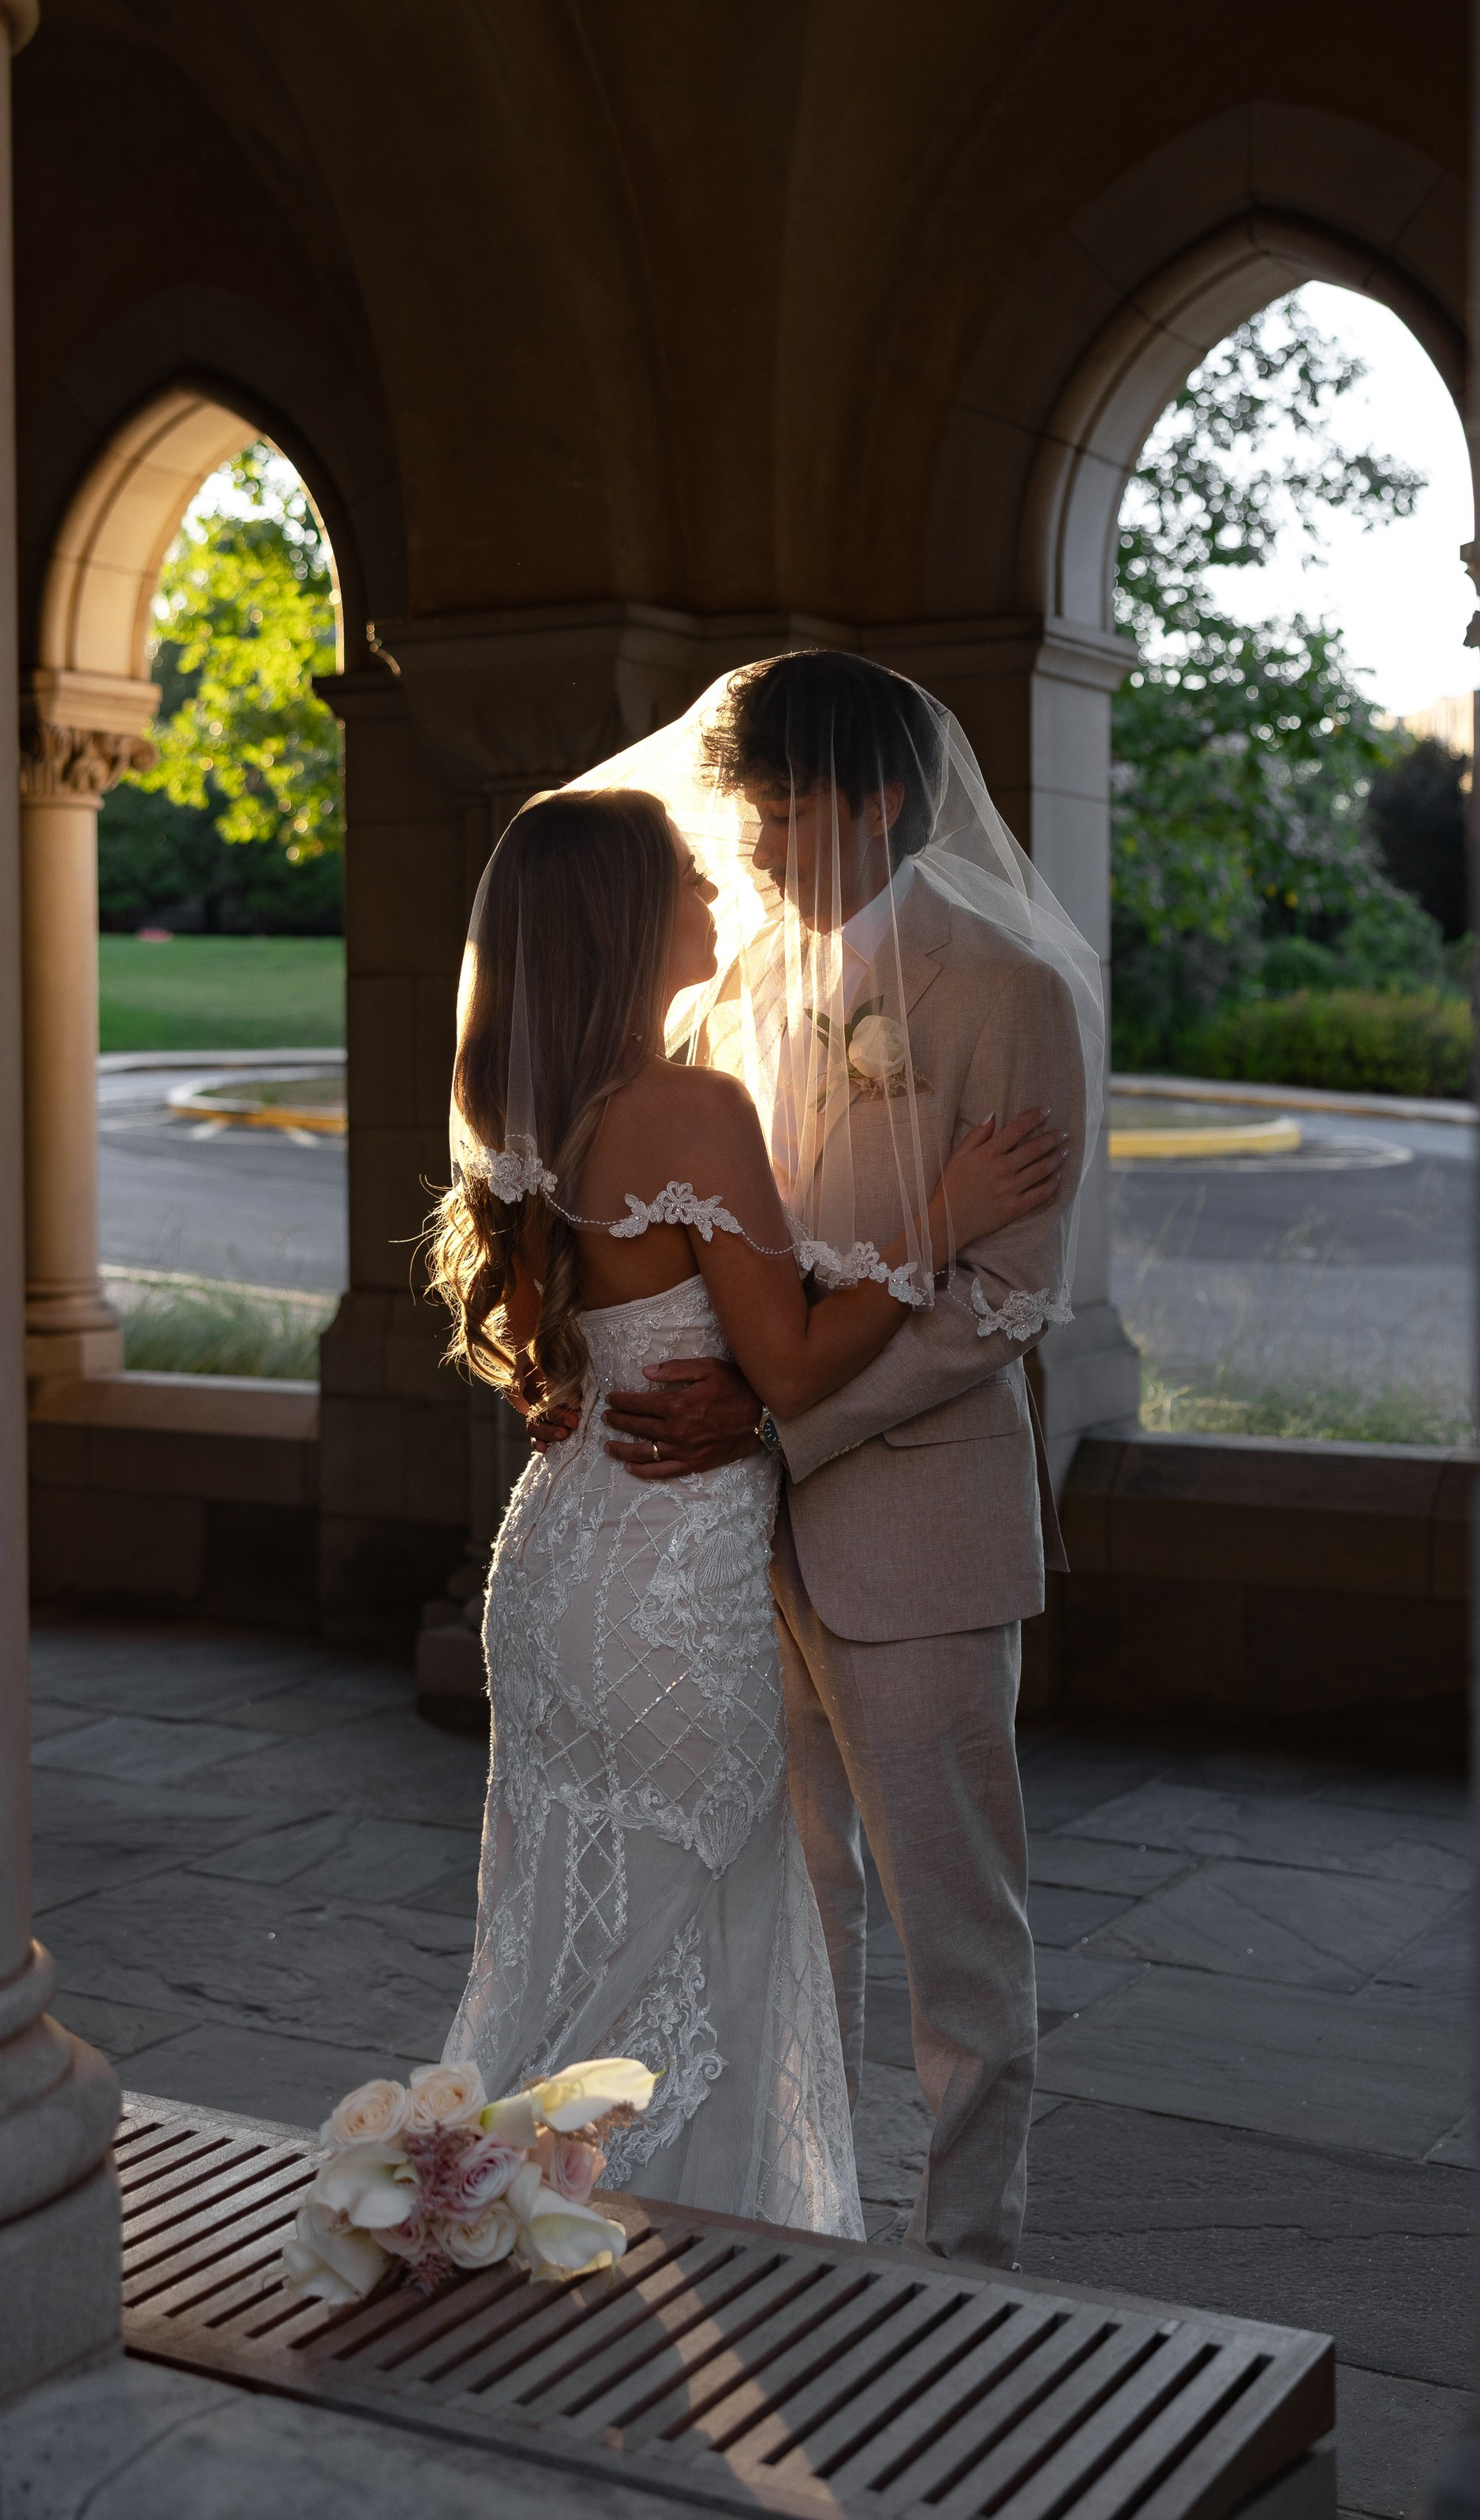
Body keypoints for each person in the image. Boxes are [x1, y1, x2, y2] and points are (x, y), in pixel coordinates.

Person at [426, 782, 1065, 2234]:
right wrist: (943, 1219)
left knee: (569, 1929)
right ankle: (667, 2247)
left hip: (560, 1560)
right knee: (693, 1934)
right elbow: (787, 1365)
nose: (720, 889)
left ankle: (496, 2204)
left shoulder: (535, 1103)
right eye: (687, 875)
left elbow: (547, 1351)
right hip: (668, 1583)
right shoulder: (691, 1107)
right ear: (625, 919)